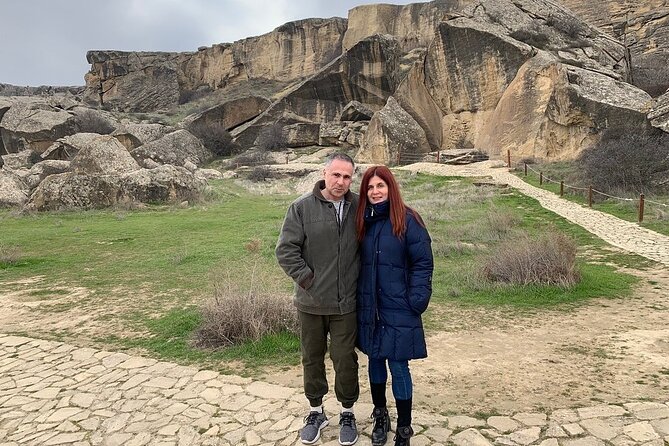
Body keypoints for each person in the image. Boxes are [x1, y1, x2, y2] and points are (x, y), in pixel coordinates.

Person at [276, 153, 361, 445]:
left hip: (345, 304)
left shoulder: (359, 206)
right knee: (312, 358)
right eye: (336, 175)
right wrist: (308, 280)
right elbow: (286, 251)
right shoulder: (301, 207)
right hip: (311, 303)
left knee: (344, 359)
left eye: (347, 177)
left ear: (352, 178)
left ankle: (347, 412)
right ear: (325, 173)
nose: (341, 182)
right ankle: (316, 411)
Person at [355, 166, 433, 446]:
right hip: (369, 305)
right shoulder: (363, 220)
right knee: (374, 360)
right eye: (370, 187)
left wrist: (417, 299)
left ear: (391, 187)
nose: (375, 192)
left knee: (399, 366)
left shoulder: (409, 219)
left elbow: (423, 263)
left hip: (399, 307)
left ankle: (404, 428)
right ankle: (380, 414)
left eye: (381, 186)